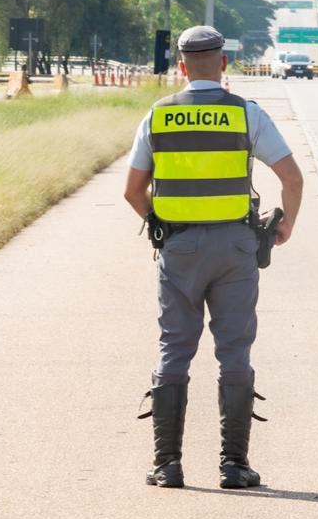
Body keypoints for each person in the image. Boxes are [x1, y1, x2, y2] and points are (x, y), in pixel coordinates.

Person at [123, 26, 304, 488]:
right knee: (235, 351)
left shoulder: (158, 116)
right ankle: (234, 465)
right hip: (236, 248)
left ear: (182, 67)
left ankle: (167, 465)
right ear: (223, 64)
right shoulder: (247, 115)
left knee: (174, 349)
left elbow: (132, 191)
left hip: (180, 248)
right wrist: (285, 225)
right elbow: (292, 177)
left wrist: (162, 223)